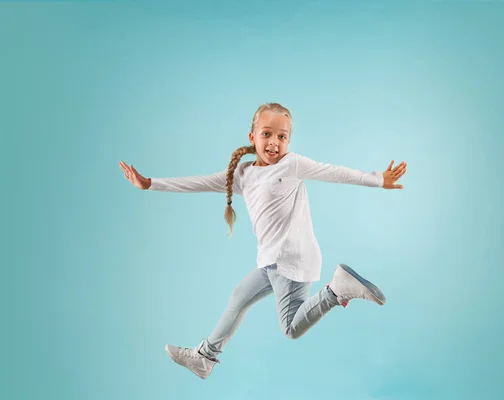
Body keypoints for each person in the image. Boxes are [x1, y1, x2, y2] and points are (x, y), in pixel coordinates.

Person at [119, 103, 407, 379]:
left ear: (289, 140)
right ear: (252, 137)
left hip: (290, 261)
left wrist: (378, 179)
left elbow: (335, 173)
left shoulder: (292, 165)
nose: (274, 142)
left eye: (282, 136)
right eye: (267, 134)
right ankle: (206, 358)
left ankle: (336, 291)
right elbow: (200, 183)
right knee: (239, 297)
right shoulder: (243, 174)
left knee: (291, 328)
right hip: (270, 261)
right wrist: (150, 183)